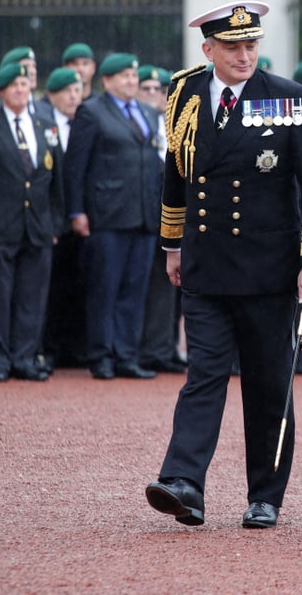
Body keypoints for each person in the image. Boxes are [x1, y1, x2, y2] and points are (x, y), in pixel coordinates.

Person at [145, 0, 302, 530]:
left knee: (268, 383)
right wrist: (172, 245)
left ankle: (265, 494)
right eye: (232, 46)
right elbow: (177, 173)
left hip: (269, 269)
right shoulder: (184, 93)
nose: (244, 54)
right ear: (208, 49)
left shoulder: (288, 97)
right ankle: (184, 482)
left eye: (251, 44)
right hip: (206, 265)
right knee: (203, 373)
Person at [63, 53, 163, 380]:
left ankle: (127, 355)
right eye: (124, 76)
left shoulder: (148, 113)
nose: (132, 81)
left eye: (133, 75)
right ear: (106, 81)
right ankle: (102, 356)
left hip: (144, 217)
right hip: (107, 217)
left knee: (134, 292)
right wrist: (77, 211)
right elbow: (75, 168)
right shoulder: (91, 112)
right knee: (104, 291)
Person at [0, 62, 63, 381]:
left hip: (38, 224)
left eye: (24, 85)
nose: (21, 90)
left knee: (32, 295)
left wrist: (55, 220)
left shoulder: (45, 123)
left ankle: (24, 358)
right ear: (1, 91)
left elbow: (56, 178)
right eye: (14, 86)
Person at [135, 65, 185, 374]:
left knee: (172, 289)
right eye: (148, 88)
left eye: (161, 90)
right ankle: (148, 348)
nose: (155, 95)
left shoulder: (177, 125)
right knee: (148, 286)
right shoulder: (139, 125)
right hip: (144, 218)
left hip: (177, 221)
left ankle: (165, 346)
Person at [39, 68, 88, 370]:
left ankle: (73, 347)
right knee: (50, 287)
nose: (74, 96)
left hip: (79, 219)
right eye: (68, 90)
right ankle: (49, 347)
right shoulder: (43, 123)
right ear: (52, 94)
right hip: (50, 220)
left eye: (78, 90)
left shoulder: (82, 122)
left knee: (77, 285)